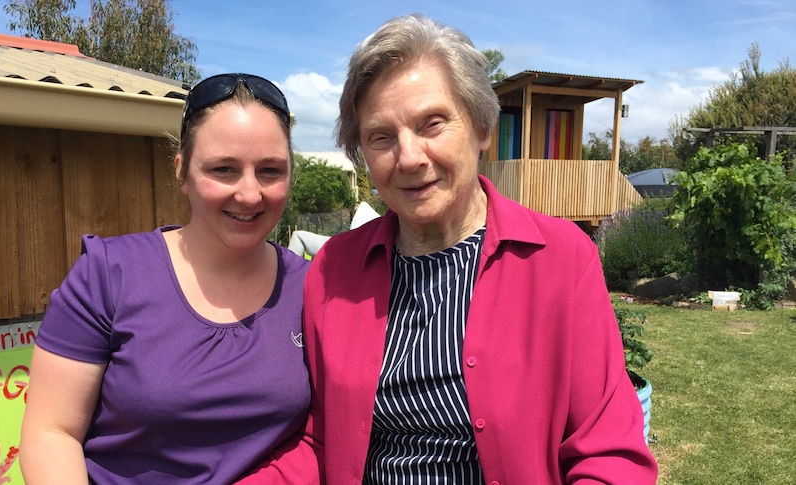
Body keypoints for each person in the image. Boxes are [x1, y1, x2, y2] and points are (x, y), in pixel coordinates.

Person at [255, 13, 658, 484]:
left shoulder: (561, 258)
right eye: (381, 137)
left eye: (432, 124)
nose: (408, 158)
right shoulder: (335, 269)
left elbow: (609, 453)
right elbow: (321, 437)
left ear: (481, 128)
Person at [20, 73, 311, 484]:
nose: (249, 194)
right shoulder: (109, 275)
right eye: (223, 169)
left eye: (270, 171)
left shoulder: (313, 289)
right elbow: (52, 431)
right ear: (182, 172)